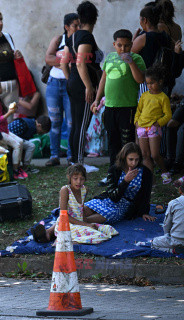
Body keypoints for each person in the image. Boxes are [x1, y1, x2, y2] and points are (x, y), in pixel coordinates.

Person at [90, 29, 146, 167]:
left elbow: (140, 80)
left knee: (127, 144)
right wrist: (97, 100)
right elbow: (103, 79)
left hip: (127, 108)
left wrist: (131, 62)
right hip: (110, 107)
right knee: (112, 144)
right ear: (114, 44)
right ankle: (113, 175)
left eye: (127, 45)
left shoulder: (137, 58)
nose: (123, 48)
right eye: (120, 45)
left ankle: (128, 174)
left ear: (131, 45)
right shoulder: (109, 58)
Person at [32, 164, 118, 244]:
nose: (79, 182)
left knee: (109, 229)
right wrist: (86, 225)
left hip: (79, 223)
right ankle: (65, 241)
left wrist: (88, 223)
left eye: (82, 179)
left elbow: (81, 210)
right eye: (75, 178)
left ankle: (50, 236)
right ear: (69, 178)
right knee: (99, 236)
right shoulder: (65, 190)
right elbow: (63, 215)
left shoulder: (84, 190)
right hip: (66, 224)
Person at [61, 1, 102, 165]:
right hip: (83, 86)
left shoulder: (71, 37)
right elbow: (80, 63)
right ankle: (78, 163)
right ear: (95, 19)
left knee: (77, 124)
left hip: (74, 83)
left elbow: (64, 63)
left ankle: (73, 160)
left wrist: (71, 79)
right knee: (82, 124)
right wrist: (88, 86)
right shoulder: (85, 36)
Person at [84, 142, 156, 224]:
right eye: (131, 159)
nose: (134, 163)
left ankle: (78, 223)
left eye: (137, 159)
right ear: (124, 157)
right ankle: (73, 222)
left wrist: (144, 212)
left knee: (108, 214)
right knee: (83, 210)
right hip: (108, 198)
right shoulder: (114, 170)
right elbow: (113, 197)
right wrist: (125, 181)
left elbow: (145, 195)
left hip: (125, 205)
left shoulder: (145, 172)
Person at [44, 13, 80, 167]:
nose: (78, 28)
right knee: (55, 122)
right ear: (67, 27)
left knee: (72, 122)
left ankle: (72, 156)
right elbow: (48, 58)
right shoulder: (59, 39)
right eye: (75, 25)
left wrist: (60, 62)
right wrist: (67, 61)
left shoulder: (81, 40)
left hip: (70, 84)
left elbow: (87, 59)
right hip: (53, 84)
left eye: (80, 25)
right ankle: (54, 156)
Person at [0, 76, 27, 179]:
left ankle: (19, 167)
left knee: (20, 142)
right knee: (16, 145)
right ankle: (16, 171)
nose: (1, 87)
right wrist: (10, 113)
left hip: (4, 130)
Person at [134, 65, 172, 184]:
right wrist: (136, 122)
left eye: (152, 83)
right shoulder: (144, 95)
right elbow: (139, 110)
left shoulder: (163, 97)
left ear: (160, 82)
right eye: (147, 83)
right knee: (145, 155)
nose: (149, 86)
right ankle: (150, 179)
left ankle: (164, 172)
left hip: (154, 128)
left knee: (155, 155)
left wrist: (158, 123)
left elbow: (168, 115)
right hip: (141, 128)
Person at [131, 4, 172, 94]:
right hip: (162, 81)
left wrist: (134, 39)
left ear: (144, 20)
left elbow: (128, 55)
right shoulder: (165, 36)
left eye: (140, 20)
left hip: (147, 82)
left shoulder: (144, 37)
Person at [146, 178, 184, 254]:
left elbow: (167, 224)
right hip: (177, 239)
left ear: (180, 190)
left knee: (154, 243)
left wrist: (166, 235)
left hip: (177, 240)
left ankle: (173, 250)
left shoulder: (174, 203)